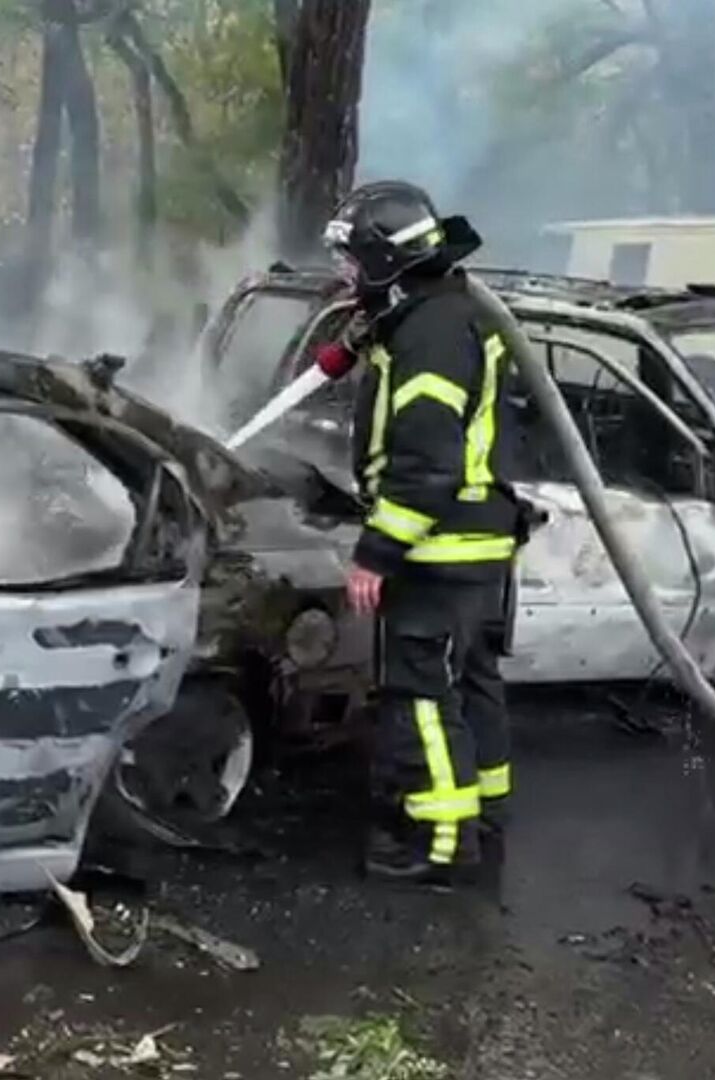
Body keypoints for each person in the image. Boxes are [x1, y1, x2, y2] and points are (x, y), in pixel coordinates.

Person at [310, 180, 530, 888]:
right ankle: (485, 813)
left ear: (383, 258)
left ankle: (437, 845)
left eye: (353, 259)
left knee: (421, 694)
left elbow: (427, 461)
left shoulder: (432, 337)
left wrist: (378, 552)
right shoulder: (438, 313)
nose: (345, 274)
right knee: (471, 683)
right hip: (475, 546)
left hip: (438, 548)